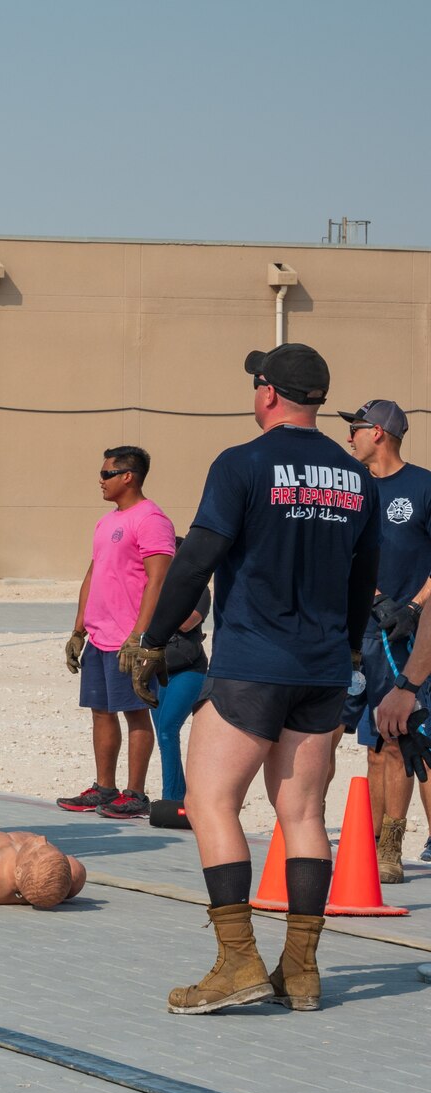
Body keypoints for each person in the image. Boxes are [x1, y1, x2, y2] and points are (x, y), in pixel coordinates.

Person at [125, 344, 377, 1014]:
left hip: (252, 664)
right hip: (323, 667)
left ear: (268, 393)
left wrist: (152, 639)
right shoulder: (357, 478)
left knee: (210, 800)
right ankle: (301, 969)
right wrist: (348, 653)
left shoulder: (242, 463)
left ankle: (237, 959)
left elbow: (197, 557)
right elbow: (361, 580)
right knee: (303, 814)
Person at [330, 400, 431, 883]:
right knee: (367, 743)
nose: (350, 436)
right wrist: (372, 598)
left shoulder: (423, 485)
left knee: (398, 740)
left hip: (409, 634)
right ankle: (366, 847)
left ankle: (391, 847)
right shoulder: (350, 488)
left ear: (381, 433)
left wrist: (413, 605)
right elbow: (339, 553)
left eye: (357, 428)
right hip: (358, 630)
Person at [59, 447, 174, 819]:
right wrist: (78, 629)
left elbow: (159, 581)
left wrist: (140, 636)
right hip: (100, 636)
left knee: (136, 712)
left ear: (128, 476)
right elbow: (93, 574)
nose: (100, 480)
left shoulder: (152, 519)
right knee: (101, 711)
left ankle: (135, 793)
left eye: (106, 473)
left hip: (129, 640)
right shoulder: (107, 522)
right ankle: (104, 788)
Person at [147, 537, 211, 820]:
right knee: (162, 734)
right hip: (156, 671)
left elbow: (188, 621)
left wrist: (157, 607)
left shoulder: (198, 589)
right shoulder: (154, 587)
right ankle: (182, 799)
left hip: (188, 670)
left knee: (167, 729)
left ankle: (172, 799)